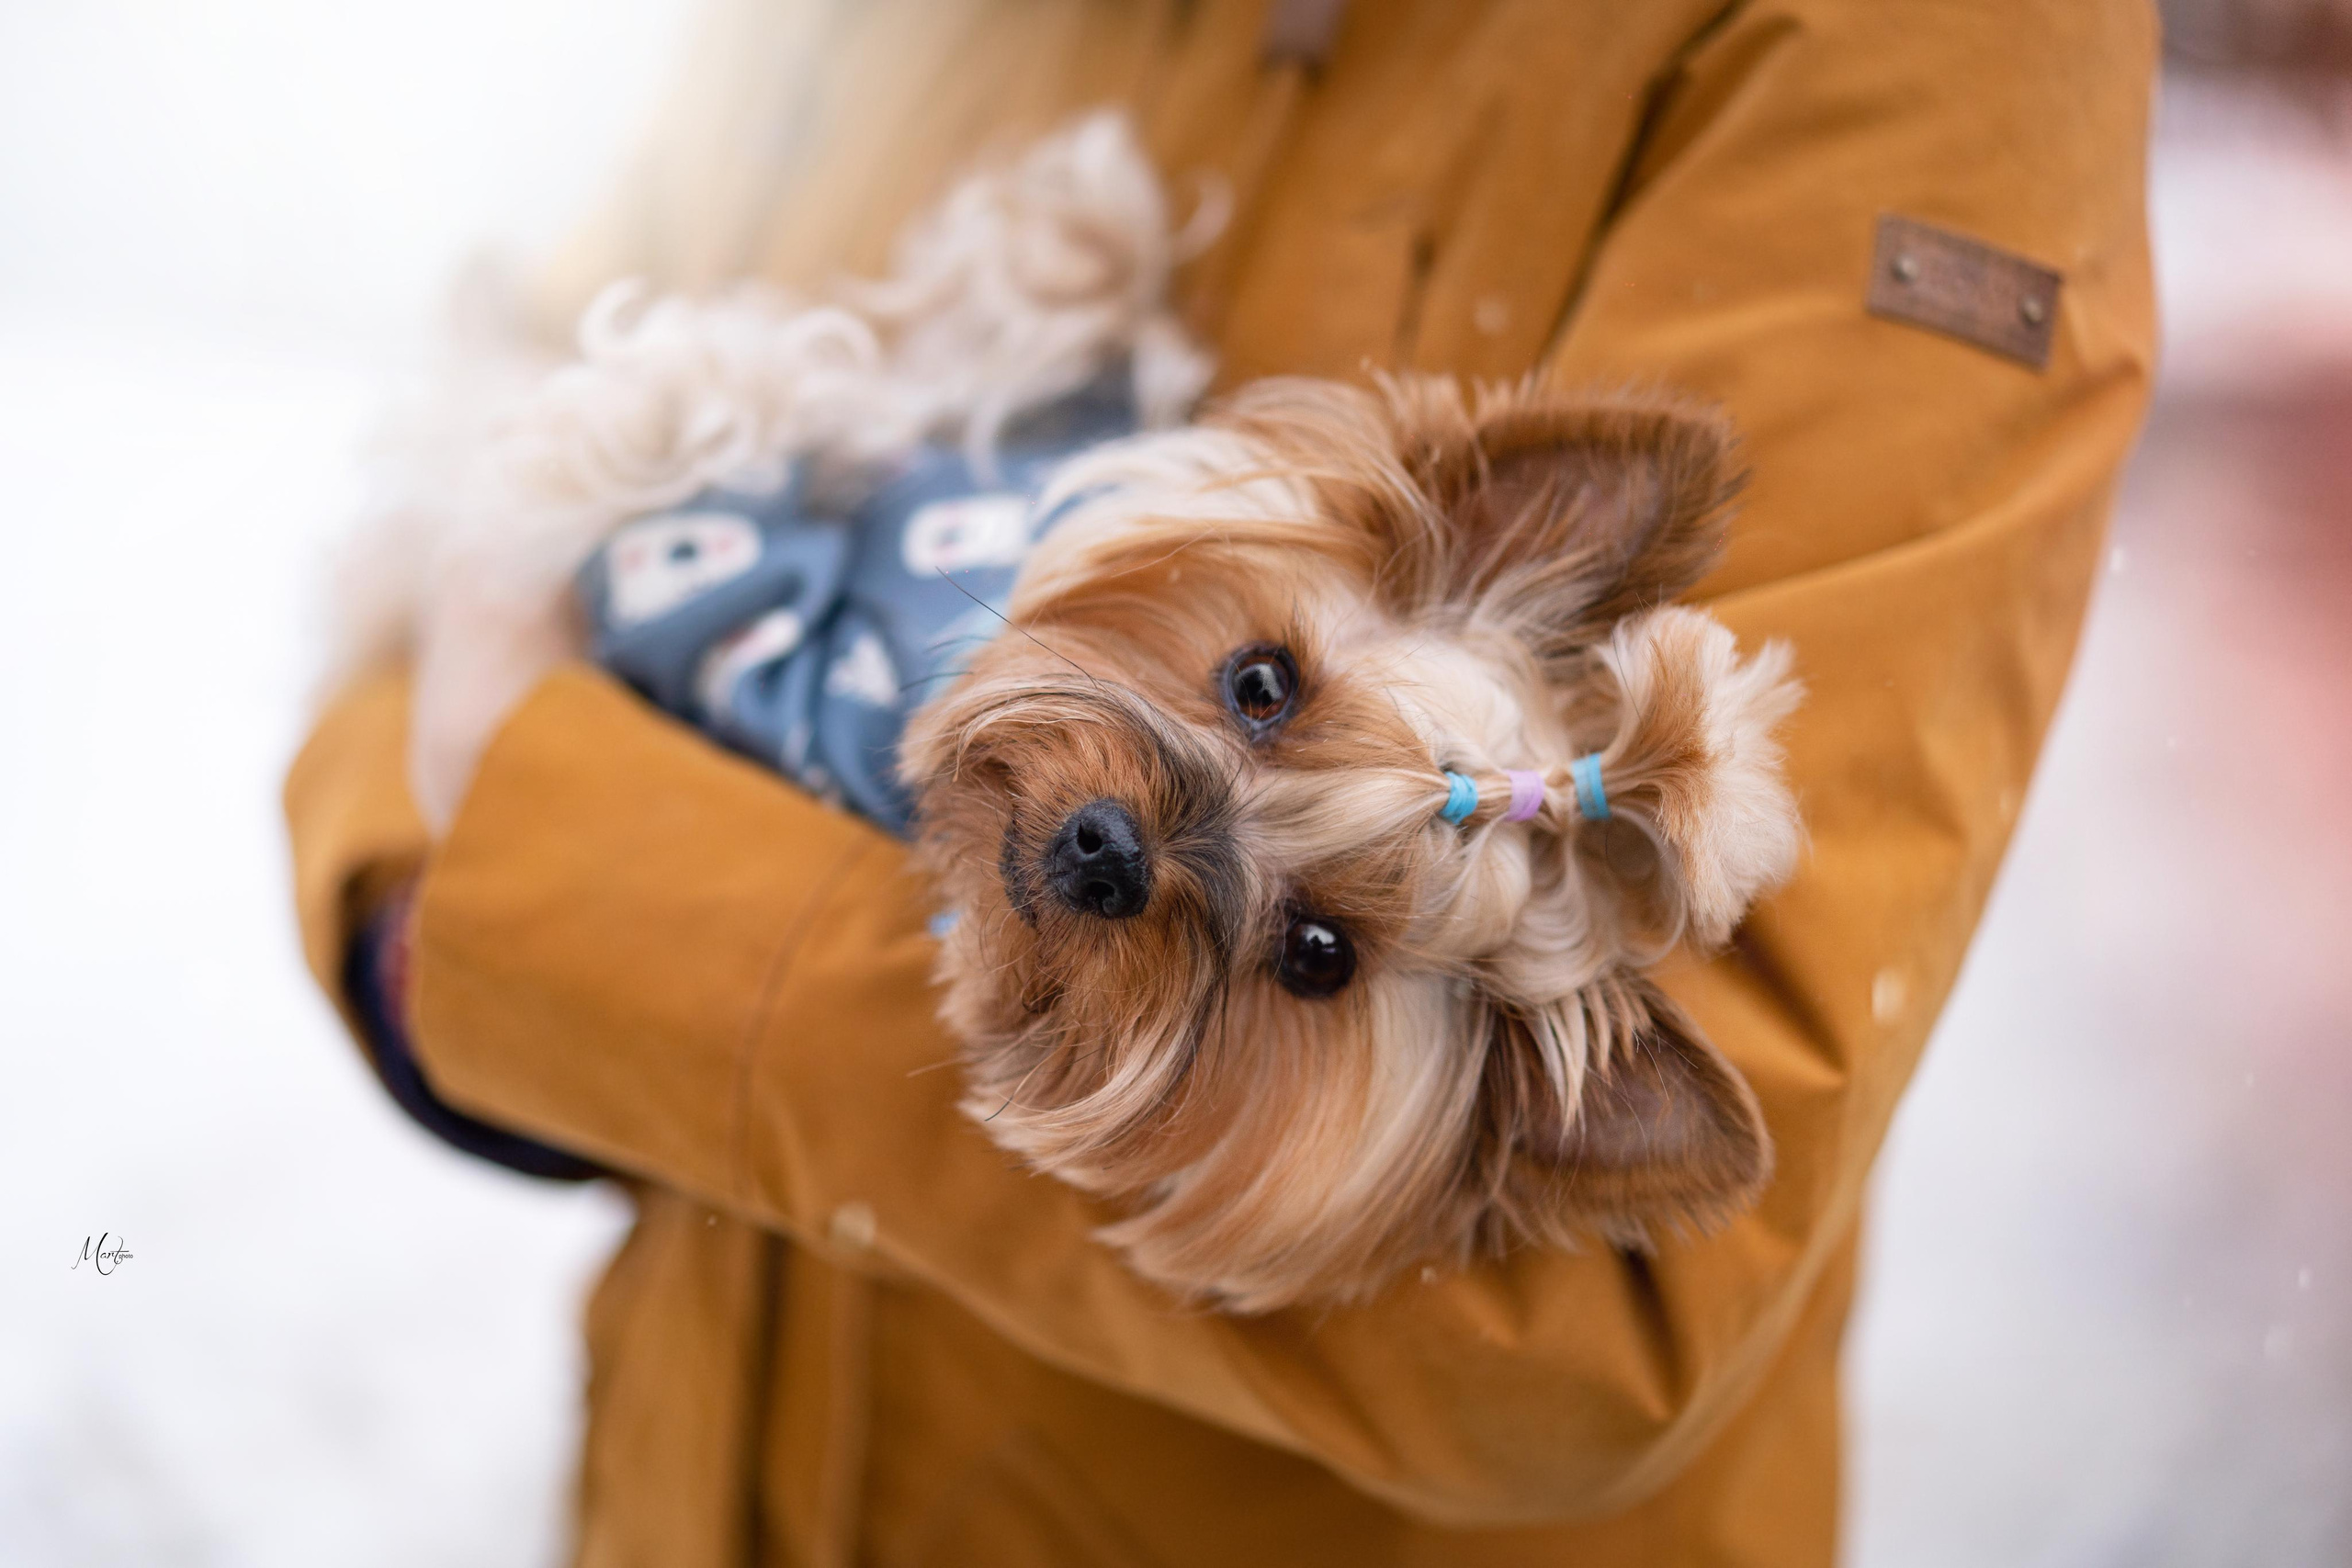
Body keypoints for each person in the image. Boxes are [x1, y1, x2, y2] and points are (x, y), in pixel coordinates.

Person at [284, 1, 2157, 1562]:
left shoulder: (1930, 41)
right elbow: (491, 397)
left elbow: (1583, 1313)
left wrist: (552, 884)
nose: (1124, 839)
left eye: (1320, 951)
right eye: (1258, 692)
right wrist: (415, 905)